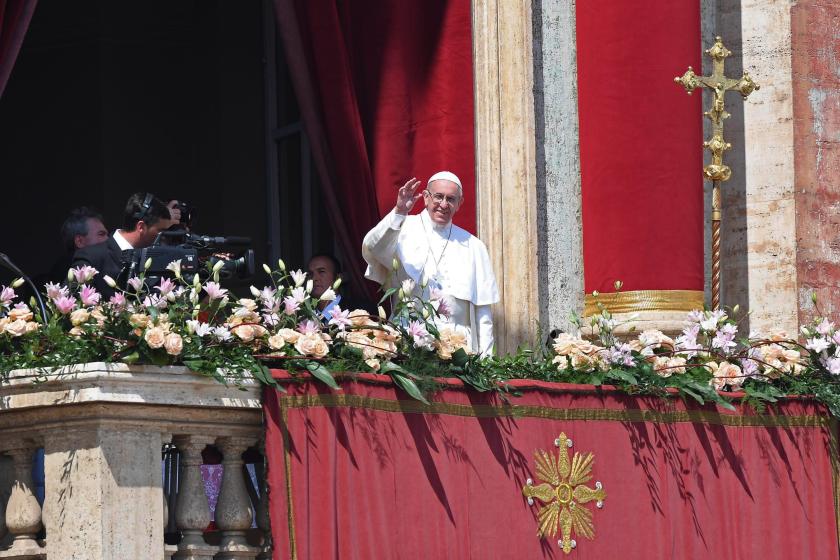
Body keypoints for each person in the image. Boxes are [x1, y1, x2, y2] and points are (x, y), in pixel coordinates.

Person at [362, 171, 499, 355]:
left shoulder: (475, 246)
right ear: (426, 197)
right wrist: (399, 212)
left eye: (451, 199)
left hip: (459, 348)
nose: (443, 204)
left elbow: (483, 312)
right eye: (438, 197)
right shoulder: (403, 227)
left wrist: (486, 360)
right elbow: (374, 247)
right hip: (408, 342)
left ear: (460, 204)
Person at [71, 193, 181, 296]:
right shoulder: (91, 258)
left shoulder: (154, 258)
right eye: (160, 230)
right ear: (141, 227)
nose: (163, 236)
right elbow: (74, 304)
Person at [307, 253, 374, 319]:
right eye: (310, 274)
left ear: (338, 278)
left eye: (321, 271)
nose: (314, 278)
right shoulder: (303, 317)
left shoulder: (361, 312)